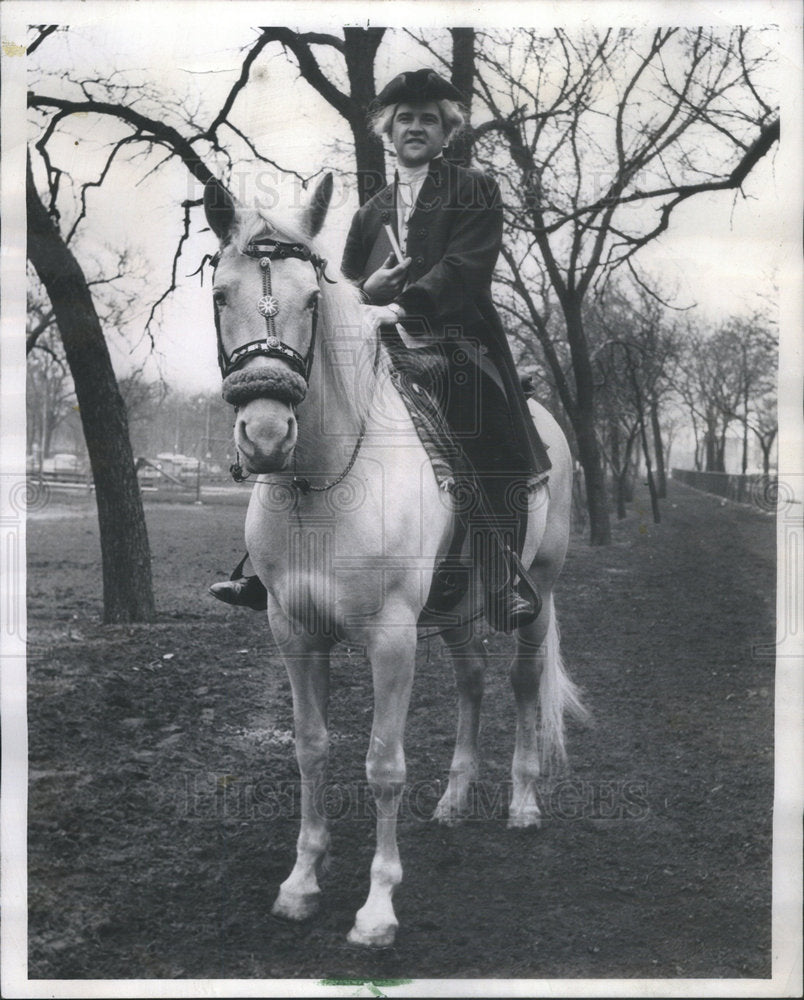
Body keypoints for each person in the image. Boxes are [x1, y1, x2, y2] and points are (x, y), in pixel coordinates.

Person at [210, 68, 551, 631]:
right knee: (312, 406)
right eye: (405, 119)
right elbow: (341, 287)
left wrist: (404, 300)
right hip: (382, 341)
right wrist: (368, 295)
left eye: (428, 120)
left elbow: (467, 268)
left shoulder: (474, 190)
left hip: (458, 343)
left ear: (447, 133)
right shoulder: (371, 211)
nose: (416, 127)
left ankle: (501, 571)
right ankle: (264, 566)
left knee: (486, 430)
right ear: (388, 132)